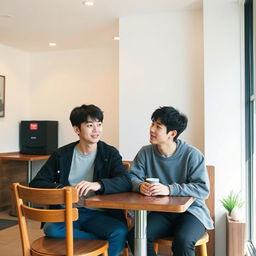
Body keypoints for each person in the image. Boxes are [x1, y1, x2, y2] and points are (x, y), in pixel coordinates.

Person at [30, 104, 131, 256]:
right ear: (77, 130)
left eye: (99, 124)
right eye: (90, 125)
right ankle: (99, 246)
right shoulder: (61, 154)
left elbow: (125, 180)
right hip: (68, 212)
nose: (96, 130)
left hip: (99, 214)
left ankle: (97, 249)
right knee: (51, 229)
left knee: (119, 231)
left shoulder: (109, 153)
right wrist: (64, 191)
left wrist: (98, 185)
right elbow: (36, 183)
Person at [127, 106, 214, 256]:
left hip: (191, 212)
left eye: (158, 126)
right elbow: (131, 177)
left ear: (172, 133)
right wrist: (140, 186)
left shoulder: (192, 155)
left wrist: (169, 189)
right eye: (152, 123)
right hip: (161, 212)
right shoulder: (145, 153)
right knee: (136, 237)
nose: (152, 129)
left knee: (183, 240)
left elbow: (202, 189)